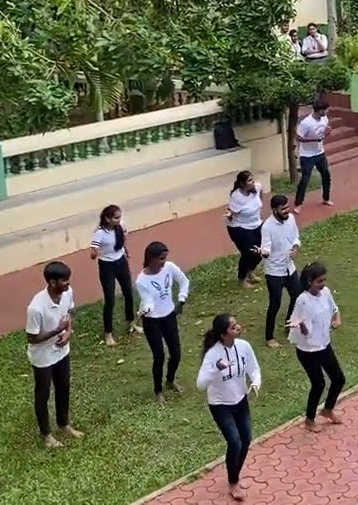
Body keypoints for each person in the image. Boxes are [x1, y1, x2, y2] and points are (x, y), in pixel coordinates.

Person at [197, 314, 262, 502]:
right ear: (224, 334)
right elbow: (201, 384)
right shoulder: (212, 355)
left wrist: (255, 383)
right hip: (220, 405)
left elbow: (254, 369)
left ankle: (235, 472)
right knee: (234, 441)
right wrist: (216, 368)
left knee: (246, 438)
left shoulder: (243, 347)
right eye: (233, 327)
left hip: (240, 400)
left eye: (236, 324)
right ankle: (233, 482)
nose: (238, 328)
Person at [25, 261, 83, 448]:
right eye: (64, 281)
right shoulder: (36, 308)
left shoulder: (67, 294)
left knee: (63, 386)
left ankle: (64, 424)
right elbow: (32, 338)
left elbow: (67, 316)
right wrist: (56, 330)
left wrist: (67, 332)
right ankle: (47, 435)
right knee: (43, 393)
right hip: (42, 356)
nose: (68, 284)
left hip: (61, 350)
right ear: (51, 282)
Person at [289, 261, 345, 432]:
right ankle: (310, 419)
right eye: (319, 281)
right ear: (309, 282)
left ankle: (327, 410)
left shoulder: (326, 293)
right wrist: (302, 326)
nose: (323, 284)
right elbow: (305, 332)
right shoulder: (303, 301)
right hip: (308, 350)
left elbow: (335, 309)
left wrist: (337, 319)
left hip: (324, 345)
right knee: (318, 384)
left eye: (323, 280)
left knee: (338, 378)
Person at [135, 241, 189, 403]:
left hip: (169, 316)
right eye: (160, 259)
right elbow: (148, 301)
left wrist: (181, 300)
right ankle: (158, 391)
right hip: (152, 321)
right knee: (159, 356)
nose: (163, 263)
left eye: (165, 259)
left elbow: (184, 281)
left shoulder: (169, 268)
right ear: (150, 259)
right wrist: (145, 310)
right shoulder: (141, 281)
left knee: (176, 353)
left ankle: (170, 380)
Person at [257, 194, 302, 347]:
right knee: (275, 303)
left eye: (287, 207)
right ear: (274, 210)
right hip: (274, 271)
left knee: (297, 295)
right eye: (283, 209)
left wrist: (296, 247)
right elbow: (266, 248)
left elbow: (296, 236)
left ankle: (289, 324)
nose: (286, 211)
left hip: (289, 267)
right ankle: (269, 337)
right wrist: (264, 253)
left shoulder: (291, 219)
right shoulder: (267, 227)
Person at [90, 204, 137, 346]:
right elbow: (93, 252)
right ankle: (108, 334)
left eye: (119, 217)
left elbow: (123, 240)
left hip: (121, 262)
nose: (119, 219)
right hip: (107, 266)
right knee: (110, 299)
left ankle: (131, 322)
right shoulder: (100, 233)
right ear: (107, 219)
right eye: (116, 217)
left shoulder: (120, 226)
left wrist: (125, 251)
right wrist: (94, 253)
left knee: (128, 292)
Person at [226, 171, 265, 287]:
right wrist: (229, 214)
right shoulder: (236, 196)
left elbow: (260, 195)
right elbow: (231, 213)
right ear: (242, 184)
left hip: (256, 224)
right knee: (248, 252)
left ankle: (250, 273)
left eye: (252, 179)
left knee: (261, 250)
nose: (252, 182)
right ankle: (242, 279)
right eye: (249, 181)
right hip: (239, 227)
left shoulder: (256, 188)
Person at [294, 101, 334, 211]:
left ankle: (326, 198)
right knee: (305, 180)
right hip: (307, 156)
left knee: (326, 175)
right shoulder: (306, 123)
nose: (327, 112)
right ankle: (298, 204)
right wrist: (314, 139)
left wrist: (327, 132)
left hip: (320, 153)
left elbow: (322, 134)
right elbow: (298, 138)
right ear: (320, 110)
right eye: (325, 110)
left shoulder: (324, 119)